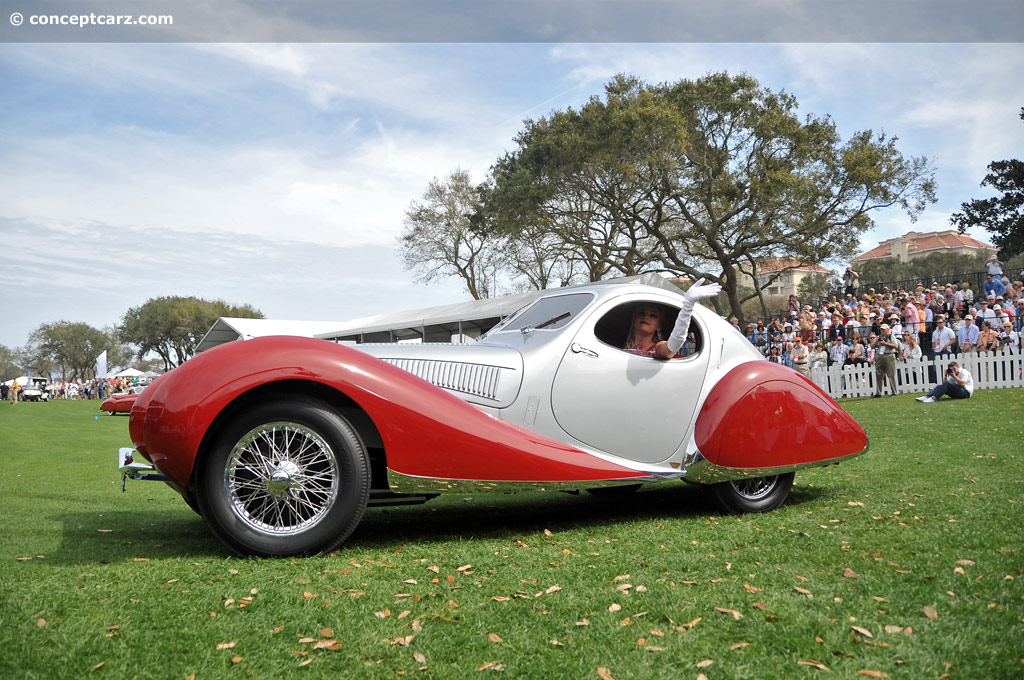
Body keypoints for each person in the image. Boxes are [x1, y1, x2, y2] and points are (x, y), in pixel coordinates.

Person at [652, 278, 722, 360]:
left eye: (652, 315)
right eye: (641, 313)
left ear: (659, 325)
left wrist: (688, 305)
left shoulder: (657, 348)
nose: (645, 317)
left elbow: (674, 345)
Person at [872, 323, 899, 397]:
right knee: (879, 374)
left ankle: (894, 391)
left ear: (888, 330)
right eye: (881, 329)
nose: (882, 331)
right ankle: (878, 392)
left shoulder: (891, 337)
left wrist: (885, 344)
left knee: (891, 374)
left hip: (889, 355)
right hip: (880, 355)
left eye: (884, 329)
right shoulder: (878, 337)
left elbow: (896, 346)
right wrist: (877, 341)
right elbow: (872, 346)